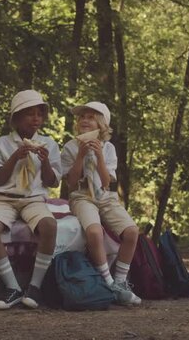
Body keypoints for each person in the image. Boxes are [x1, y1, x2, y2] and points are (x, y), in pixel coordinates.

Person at [0, 89, 61, 310]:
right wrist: (15, 157)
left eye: (40, 114)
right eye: (29, 114)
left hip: (33, 198)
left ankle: (34, 287)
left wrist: (44, 162)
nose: (36, 118)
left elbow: (52, 182)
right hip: (5, 199)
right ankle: (12, 287)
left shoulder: (48, 144)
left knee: (49, 225)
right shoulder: (0, 144)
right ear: (15, 118)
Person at [61, 101, 141, 306]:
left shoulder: (109, 148)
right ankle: (108, 282)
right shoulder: (70, 147)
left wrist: (98, 156)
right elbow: (70, 183)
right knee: (95, 232)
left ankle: (121, 282)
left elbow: (106, 182)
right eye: (82, 117)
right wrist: (81, 154)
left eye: (90, 117)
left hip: (105, 196)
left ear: (101, 125)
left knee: (132, 231)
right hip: (81, 196)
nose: (84, 120)